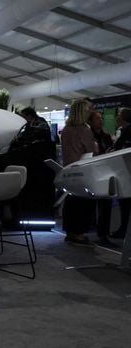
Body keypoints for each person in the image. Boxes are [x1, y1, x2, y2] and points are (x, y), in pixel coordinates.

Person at [60, 99, 98, 245]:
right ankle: (79, 233)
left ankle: (70, 231)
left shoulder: (66, 129)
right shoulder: (85, 130)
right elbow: (90, 150)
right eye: (89, 109)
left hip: (69, 168)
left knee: (71, 200)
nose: (91, 111)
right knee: (83, 202)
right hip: (83, 169)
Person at [87, 110, 116, 247]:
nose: (101, 121)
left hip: (105, 172)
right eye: (98, 118)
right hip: (92, 172)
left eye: (101, 118)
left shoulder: (106, 136)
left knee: (105, 203)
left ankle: (103, 233)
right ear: (91, 121)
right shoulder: (88, 134)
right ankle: (89, 229)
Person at [109, 107, 131, 238]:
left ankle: (124, 230)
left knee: (125, 203)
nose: (117, 117)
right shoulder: (124, 131)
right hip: (125, 171)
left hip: (126, 172)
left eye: (119, 115)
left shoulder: (128, 132)